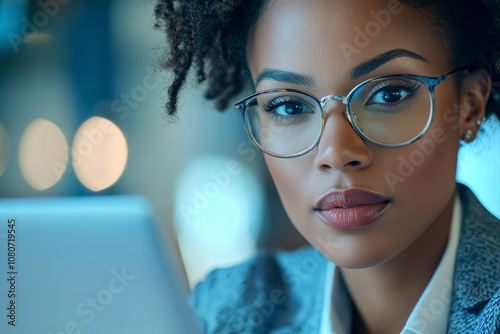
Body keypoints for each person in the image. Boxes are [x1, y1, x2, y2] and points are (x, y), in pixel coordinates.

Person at [154, 0, 500, 333]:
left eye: (389, 95)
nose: (336, 152)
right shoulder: (227, 309)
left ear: (470, 104)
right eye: (289, 106)